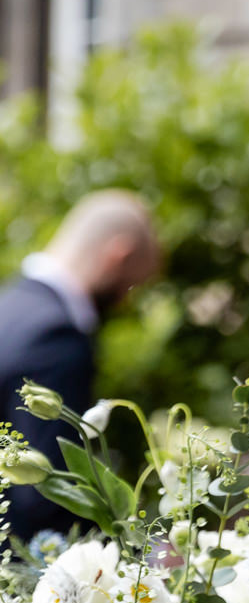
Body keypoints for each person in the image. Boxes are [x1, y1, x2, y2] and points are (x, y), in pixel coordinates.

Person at [0, 191, 158, 537]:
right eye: (132, 285)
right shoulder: (55, 335)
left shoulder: (9, 305)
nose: (126, 301)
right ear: (119, 255)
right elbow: (48, 493)